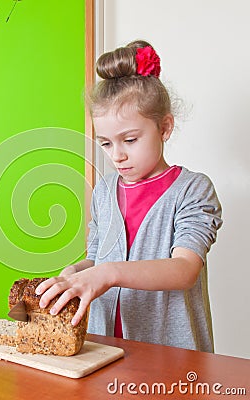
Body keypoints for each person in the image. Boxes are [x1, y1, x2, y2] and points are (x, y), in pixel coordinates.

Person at [35, 40, 223, 352]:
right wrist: (75, 273)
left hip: (171, 357)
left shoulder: (193, 189)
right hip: (104, 350)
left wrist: (107, 274)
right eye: (106, 143)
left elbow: (184, 269)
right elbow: (97, 258)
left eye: (130, 139)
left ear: (164, 128)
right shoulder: (105, 191)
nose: (117, 156)